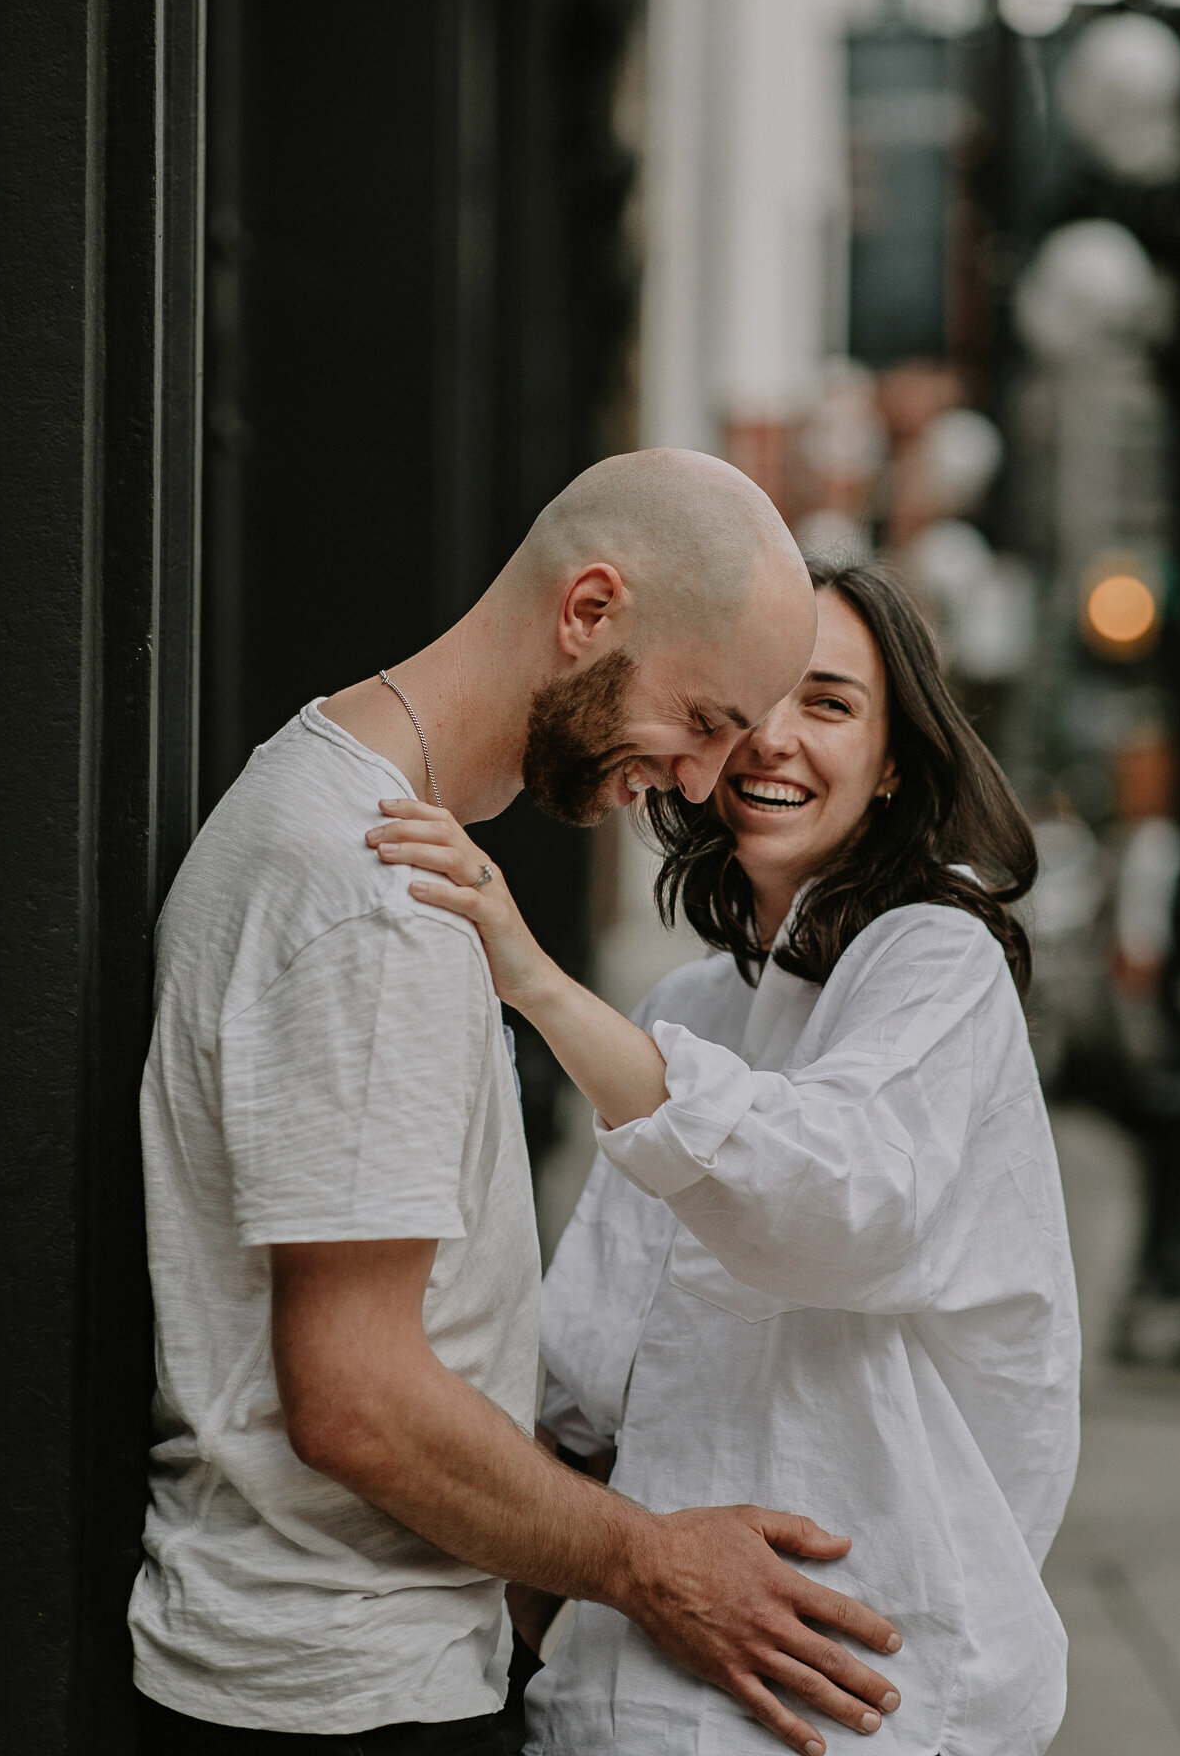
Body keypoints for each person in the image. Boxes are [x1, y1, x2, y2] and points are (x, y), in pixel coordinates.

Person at [131, 455, 906, 1756]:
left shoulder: (357, 818)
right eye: (708, 718)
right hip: (343, 1692)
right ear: (590, 610)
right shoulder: (378, 898)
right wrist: (657, 1568)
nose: (707, 779)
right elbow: (358, 1400)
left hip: (340, 1668)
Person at [371, 558, 1081, 1756]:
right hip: (628, 1691)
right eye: (751, 701)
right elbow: (585, 1389)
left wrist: (530, 973)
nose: (775, 740)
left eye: (832, 703)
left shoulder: (935, 962)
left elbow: (839, 1202)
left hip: (851, 1700)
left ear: (900, 757)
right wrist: (531, 1640)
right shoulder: (687, 1007)